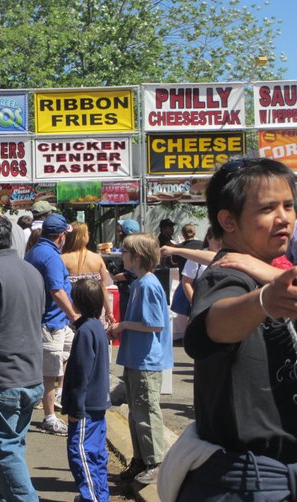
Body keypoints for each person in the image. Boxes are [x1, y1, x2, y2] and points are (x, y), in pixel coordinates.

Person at [161, 158, 297, 500]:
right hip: (250, 483)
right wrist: (263, 301)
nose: (284, 218)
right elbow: (213, 326)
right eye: (268, 208)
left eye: (289, 205)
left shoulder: (268, 270)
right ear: (228, 220)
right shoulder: (230, 274)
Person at [0, 213, 45, 501]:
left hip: (1, 378)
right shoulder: (30, 270)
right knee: (2, 453)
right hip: (30, 375)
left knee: (3, 452)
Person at [109, 233, 173, 485]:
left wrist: (123, 324)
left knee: (146, 411)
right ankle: (141, 459)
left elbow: (155, 324)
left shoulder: (147, 284)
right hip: (137, 358)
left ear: (136, 257)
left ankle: (155, 461)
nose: (121, 256)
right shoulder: (140, 282)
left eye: (124, 252)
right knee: (137, 412)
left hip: (146, 360)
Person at [25, 214, 79, 436]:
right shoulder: (50, 257)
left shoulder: (37, 251)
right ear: (60, 236)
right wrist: (75, 315)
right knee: (49, 374)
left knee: (68, 355)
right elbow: (56, 290)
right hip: (50, 323)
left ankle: (55, 396)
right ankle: (49, 417)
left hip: (56, 322)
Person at [63, 278, 111, 502]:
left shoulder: (85, 332)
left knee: (80, 453)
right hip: (97, 402)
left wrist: (75, 407)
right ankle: (98, 495)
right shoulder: (96, 327)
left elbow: (81, 373)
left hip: (85, 406)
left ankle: (92, 497)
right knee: (96, 454)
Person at [61, 221, 115, 327]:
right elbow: (103, 288)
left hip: (71, 312)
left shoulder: (62, 259)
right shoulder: (97, 259)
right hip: (95, 312)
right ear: (83, 237)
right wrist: (109, 312)